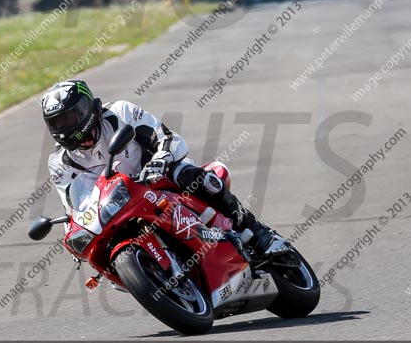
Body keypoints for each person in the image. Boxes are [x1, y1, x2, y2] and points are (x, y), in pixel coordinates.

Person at [41, 79, 275, 253]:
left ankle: (254, 230)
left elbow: (167, 138)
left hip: (158, 180)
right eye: (56, 122)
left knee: (194, 177)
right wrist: (77, 234)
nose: (63, 126)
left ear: (85, 108)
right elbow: (74, 209)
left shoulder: (119, 113)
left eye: (68, 118)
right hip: (118, 210)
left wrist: (160, 160)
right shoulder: (58, 163)